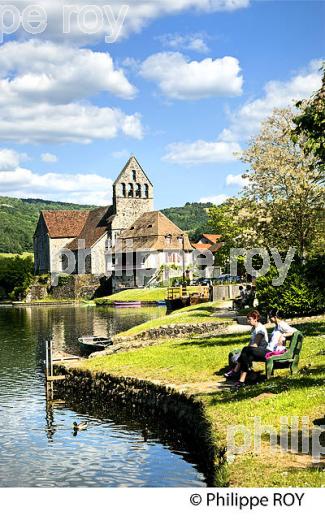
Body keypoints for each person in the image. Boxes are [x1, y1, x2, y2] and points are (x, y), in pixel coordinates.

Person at [225, 310, 269, 387]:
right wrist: (243, 353)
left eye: (249, 319)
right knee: (245, 356)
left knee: (245, 350)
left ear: (255, 319)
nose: (248, 321)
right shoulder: (253, 329)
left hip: (263, 351)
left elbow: (255, 345)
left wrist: (244, 351)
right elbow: (251, 344)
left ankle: (236, 371)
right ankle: (242, 381)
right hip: (255, 351)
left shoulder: (260, 329)